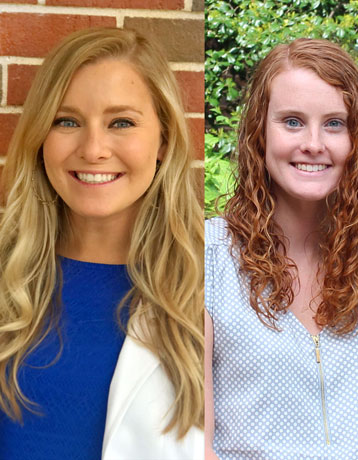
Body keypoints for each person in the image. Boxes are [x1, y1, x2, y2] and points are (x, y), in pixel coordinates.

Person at [0, 28, 204, 459]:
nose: (93, 149)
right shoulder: (7, 276)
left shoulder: (214, 288)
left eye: (121, 123)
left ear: (164, 140)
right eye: (66, 121)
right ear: (42, 139)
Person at [204, 38, 358, 459]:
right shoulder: (207, 258)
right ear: (259, 132)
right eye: (292, 121)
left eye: (334, 123)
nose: (313, 143)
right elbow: (192, 438)